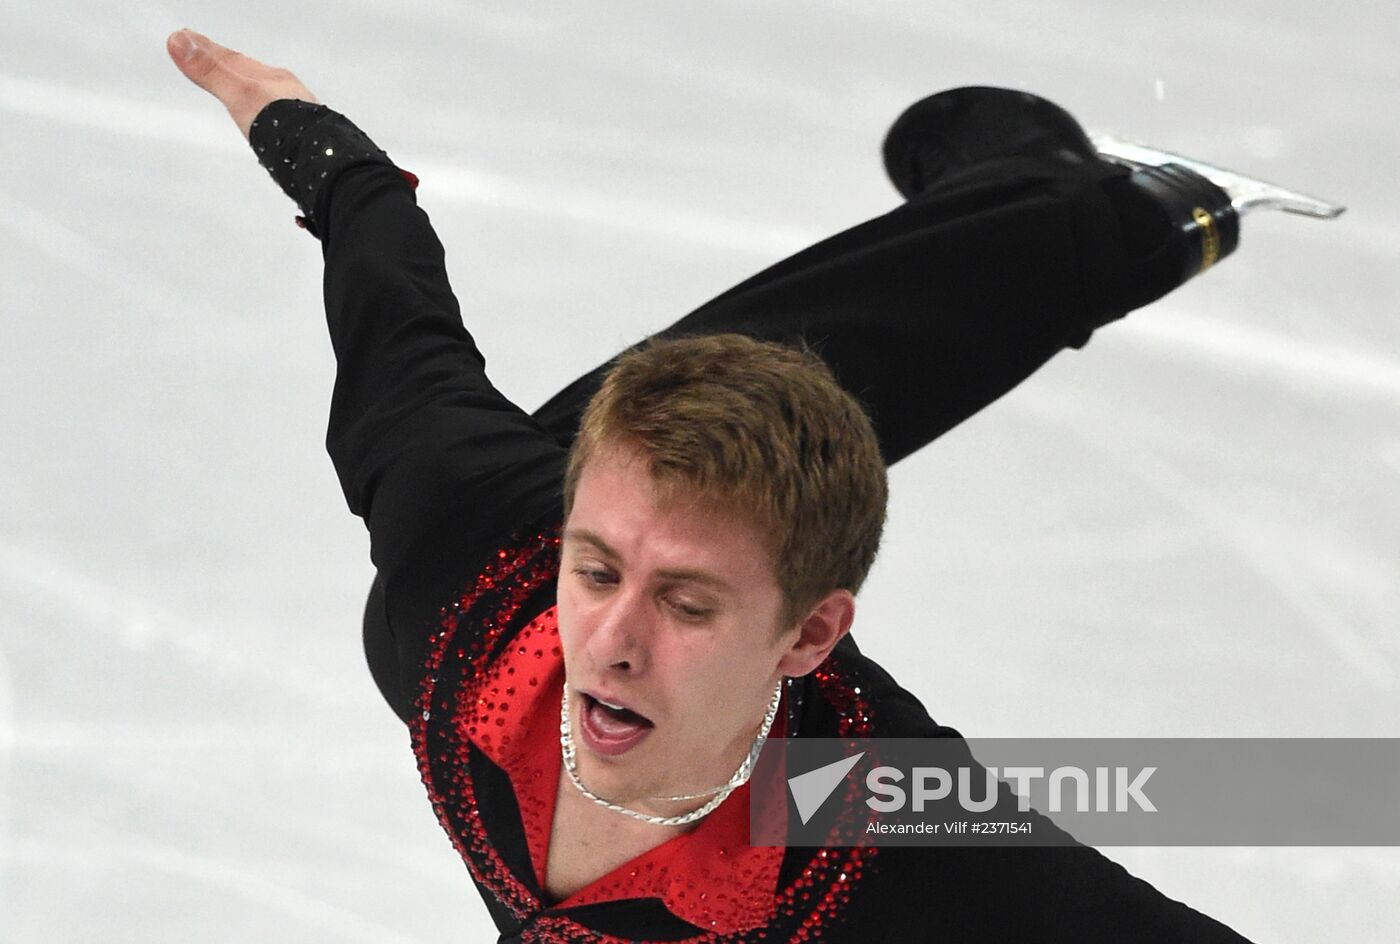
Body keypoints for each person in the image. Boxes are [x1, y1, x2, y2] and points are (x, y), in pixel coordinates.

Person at [165, 28, 1286, 942]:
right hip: (537, 496)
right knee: (716, 415)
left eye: (688, 603)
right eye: (595, 572)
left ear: (807, 635)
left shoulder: (854, 801)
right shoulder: (463, 540)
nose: (607, 638)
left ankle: (1091, 210)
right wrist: (324, 151)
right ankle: (1074, 204)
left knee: (802, 396)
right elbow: (393, 311)